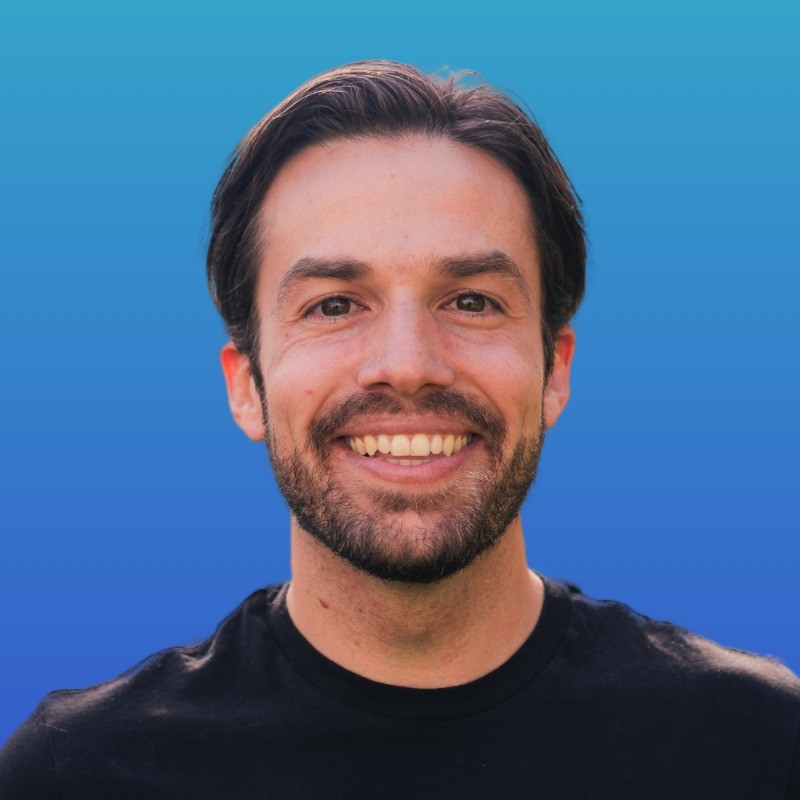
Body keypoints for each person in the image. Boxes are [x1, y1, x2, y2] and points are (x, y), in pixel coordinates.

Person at [1, 60, 798, 799]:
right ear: (246, 386)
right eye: (334, 305)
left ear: (554, 372)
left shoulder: (758, 746)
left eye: (472, 301)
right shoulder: (76, 774)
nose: (408, 364)